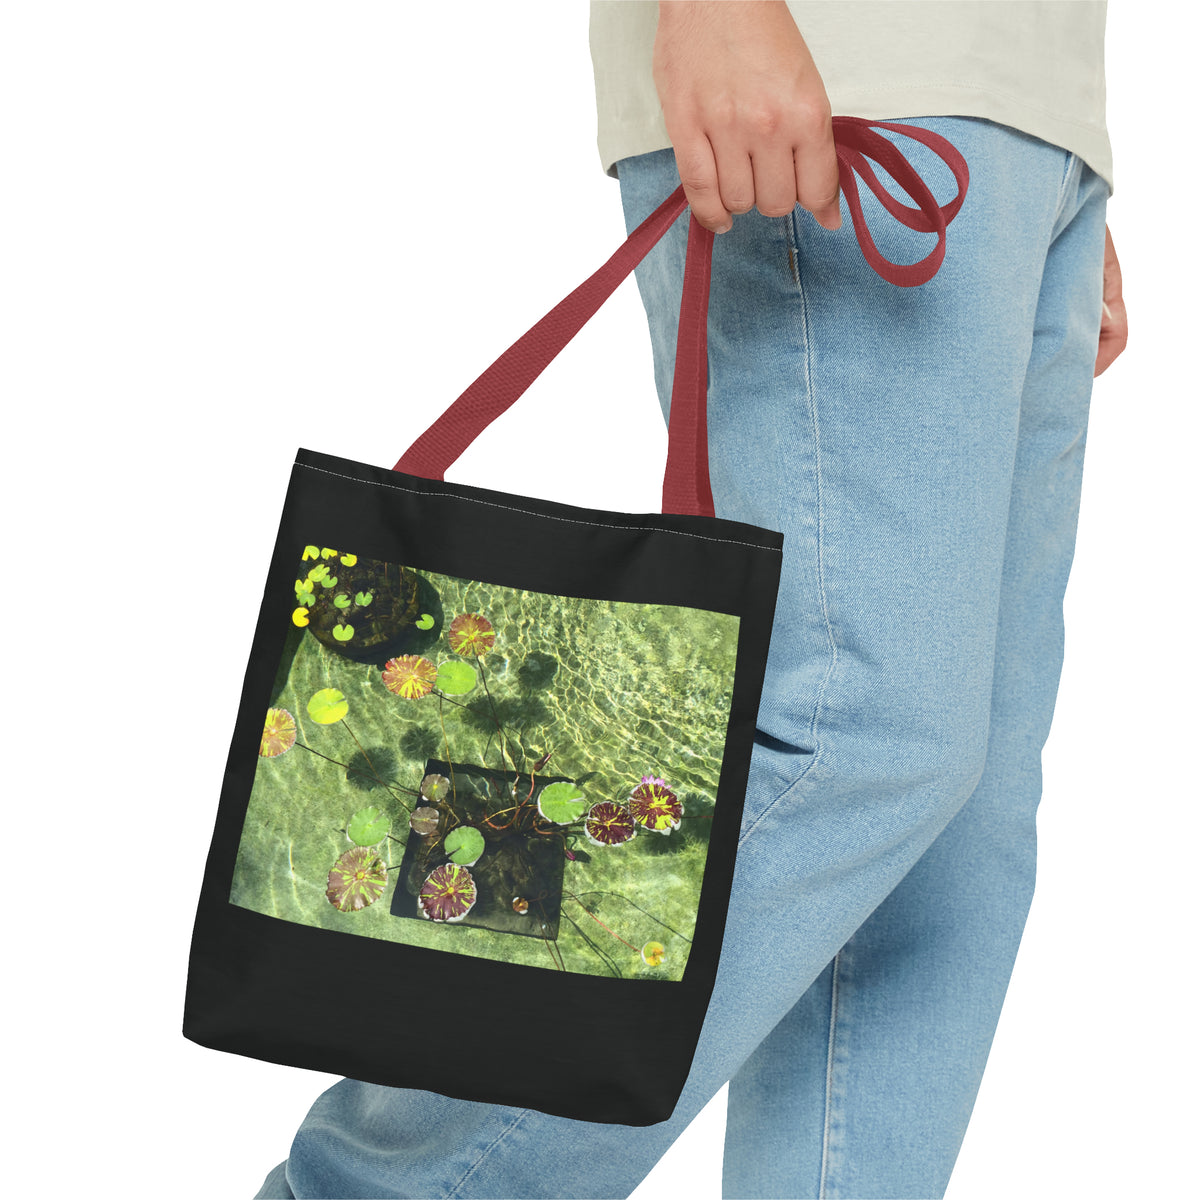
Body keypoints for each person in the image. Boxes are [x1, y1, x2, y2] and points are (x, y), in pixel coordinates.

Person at [254, 3, 1127, 1196]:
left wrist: (1054, 145)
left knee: (951, 843)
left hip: (1018, 117)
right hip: (843, 67)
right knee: (850, 740)